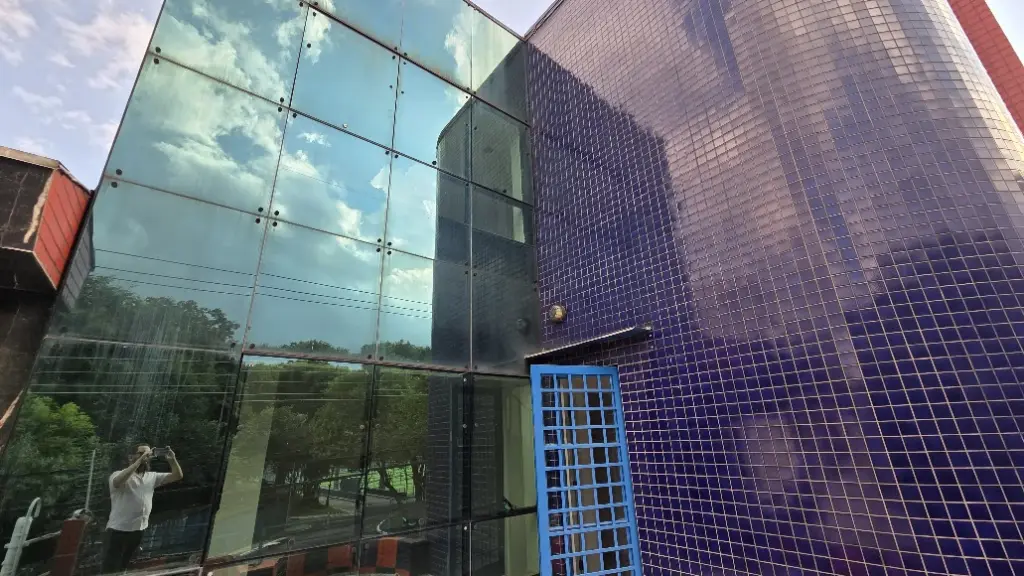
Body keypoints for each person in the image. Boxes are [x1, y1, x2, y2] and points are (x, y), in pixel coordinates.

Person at [101, 445, 183, 573]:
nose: (146, 456)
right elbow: (117, 482)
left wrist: (172, 460)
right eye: (141, 453)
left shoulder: (152, 476)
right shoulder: (117, 474)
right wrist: (139, 460)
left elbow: (177, 476)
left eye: (148, 454)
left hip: (138, 531)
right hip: (118, 531)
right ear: (131, 457)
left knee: (123, 567)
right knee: (109, 569)